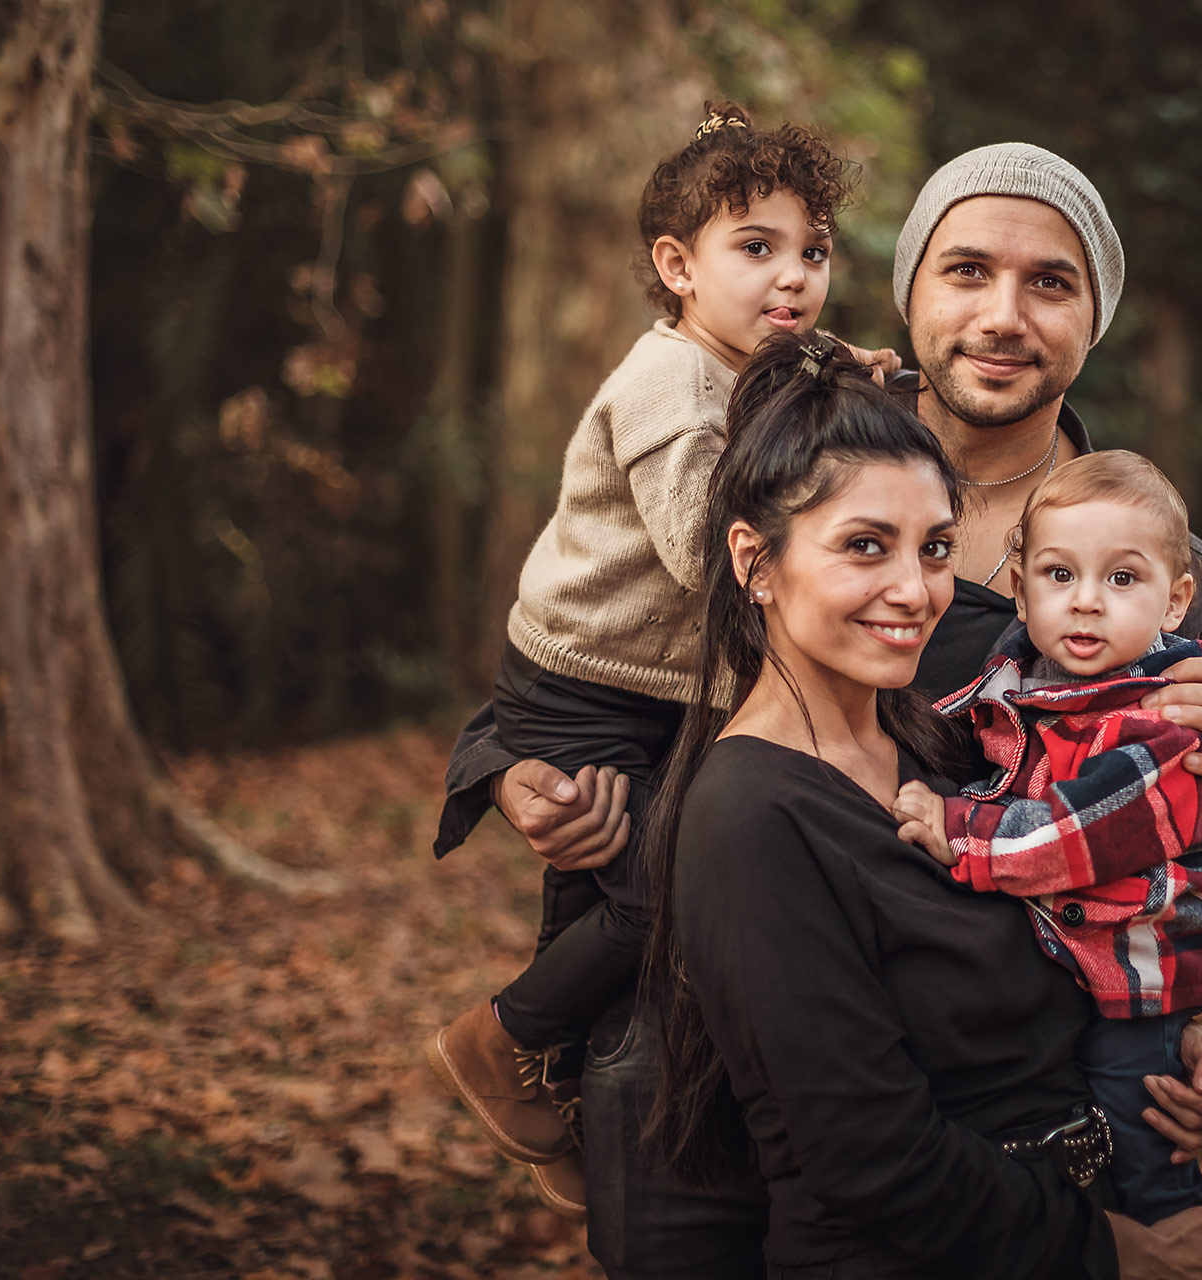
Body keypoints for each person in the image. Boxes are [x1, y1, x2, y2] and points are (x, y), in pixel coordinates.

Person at [434, 140, 1202, 1272]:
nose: (1003, 315)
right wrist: (515, 769)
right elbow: (604, 640)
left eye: (1050, 282)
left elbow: (1173, 870)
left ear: (1093, 317)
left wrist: (1168, 1011)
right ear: (910, 289)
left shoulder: (1149, 566)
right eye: (965, 270)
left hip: (1002, 1100)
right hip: (701, 1069)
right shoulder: (795, 446)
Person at [643, 332, 1202, 1278]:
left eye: (933, 549)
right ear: (755, 563)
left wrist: (1164, 1040)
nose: (914, 590)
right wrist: (1108, 1253)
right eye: (864, 548)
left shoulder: (952, 742)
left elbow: (1066, 910)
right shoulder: (749, 818)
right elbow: (869, 1155)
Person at [423, 100, 869, 1217]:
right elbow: (698, 549)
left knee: (596, 882)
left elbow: (788, 386)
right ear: (676, 265)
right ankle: (504, 1037)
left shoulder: (741, 361)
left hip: (634, 679)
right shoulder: (671, 386)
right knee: (653, 882)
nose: (795, 277)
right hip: (585, 676)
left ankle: (553, 1082)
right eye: (756, 248)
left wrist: (837, 371)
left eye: (813, 250)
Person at [892, 449, 1202, 1227]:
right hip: (1044, 988)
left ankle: (1181, 1249)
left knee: (1145, 1161)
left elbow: (1070, 839)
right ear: (1018, 588)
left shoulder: (1171, 724)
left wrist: (958, 831)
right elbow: (946, 737)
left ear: (1175, 601)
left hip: (1126, 999)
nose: (1086, 603)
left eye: (1122, 579)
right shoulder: (1014, 681)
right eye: (1058, 575)